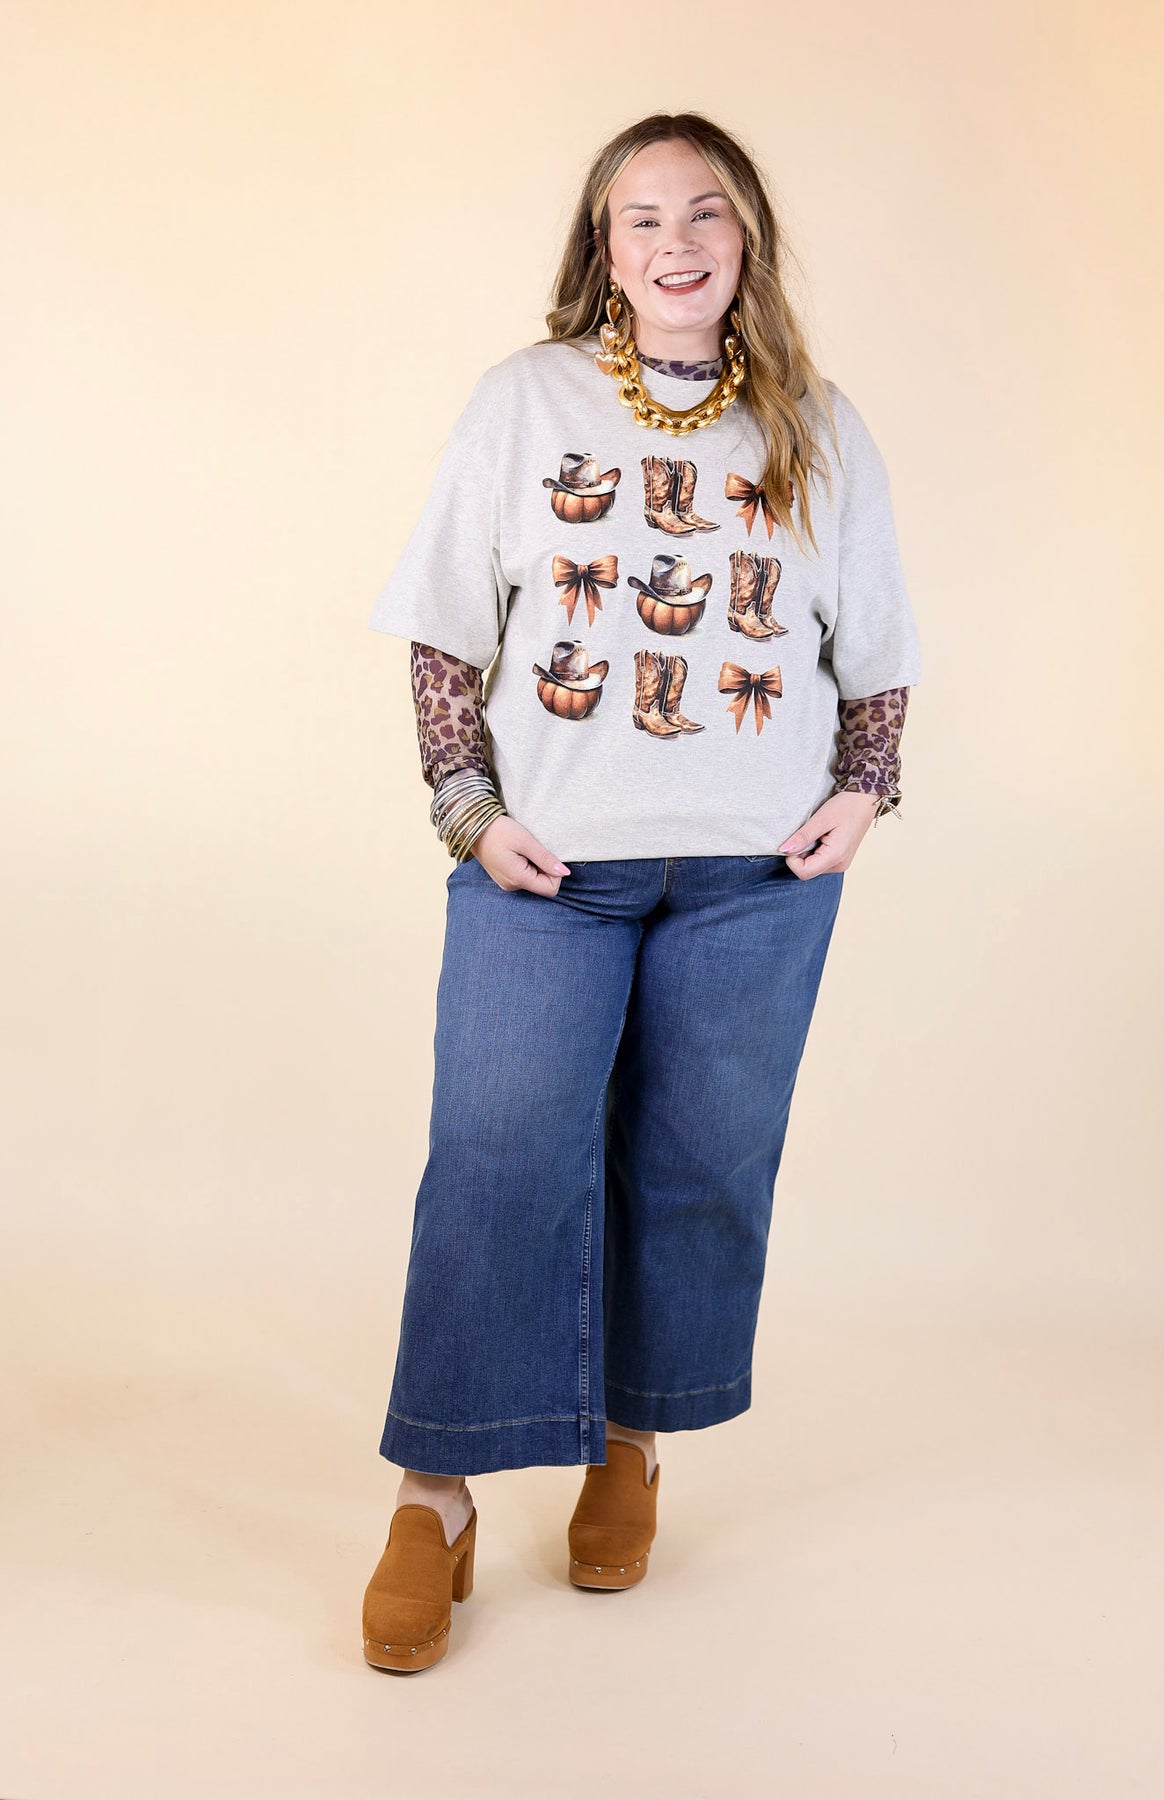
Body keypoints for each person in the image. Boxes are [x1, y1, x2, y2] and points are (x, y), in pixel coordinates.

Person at [361, 111, 922, 1672]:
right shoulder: (524, 401)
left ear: (748, 240)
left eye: (706, 212)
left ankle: (630, 1438)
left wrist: (865, 792)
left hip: (756, 880)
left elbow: (878, 648)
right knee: (498, 1154)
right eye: (642, 219)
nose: (677, 242)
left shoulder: (817, 423)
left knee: (698, 1165)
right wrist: (467, 809)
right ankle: (436, 1492)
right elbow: (442, 629)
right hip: (551, 869)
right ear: (604, 253)